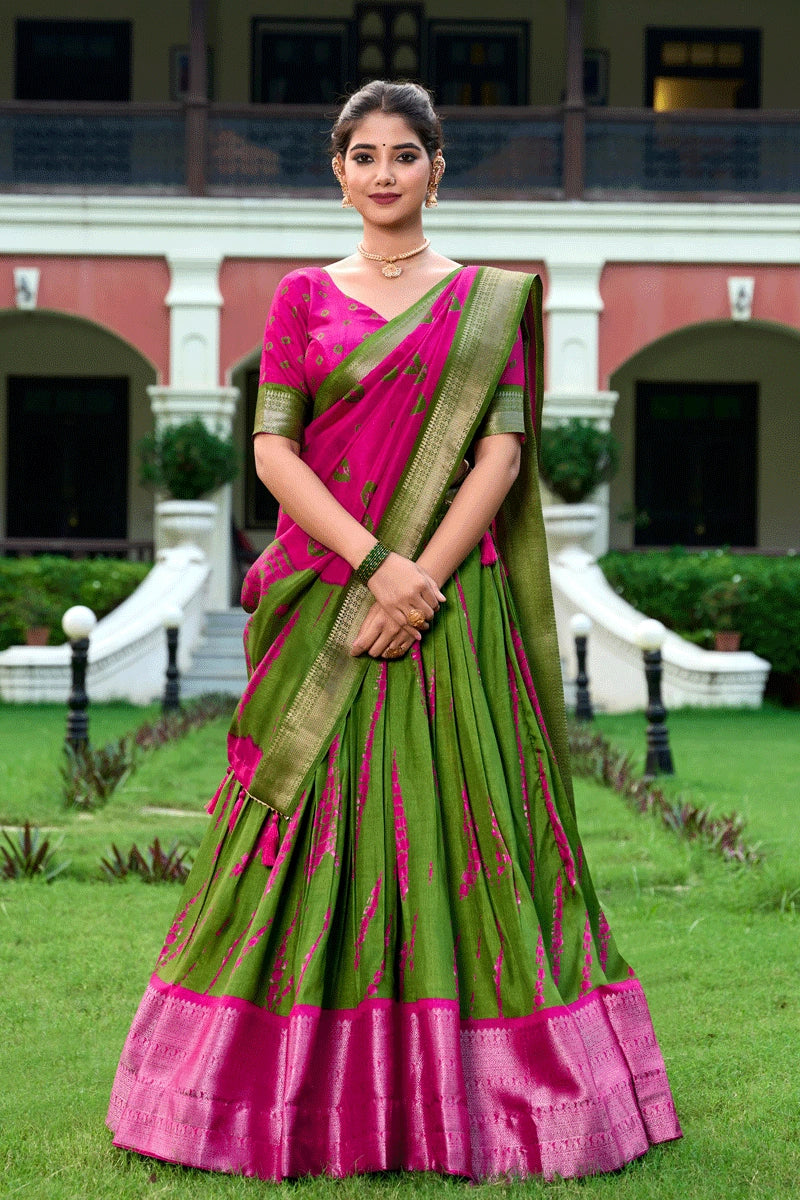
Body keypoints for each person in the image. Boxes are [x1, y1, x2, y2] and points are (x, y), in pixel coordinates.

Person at [108, 80, 681, 1182]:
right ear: (337, 170)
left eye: (402, 154)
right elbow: (274, 452)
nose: (382, 173)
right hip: (329, 594)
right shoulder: (298, 300)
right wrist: (376, 567)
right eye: (362, 154)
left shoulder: (486, 302)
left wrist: (419, 581)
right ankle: (276, 1093)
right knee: (297, 827)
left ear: (435, 169)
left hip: (447, 617)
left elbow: (501, 457)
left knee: (464, 829)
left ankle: (480, 1101)